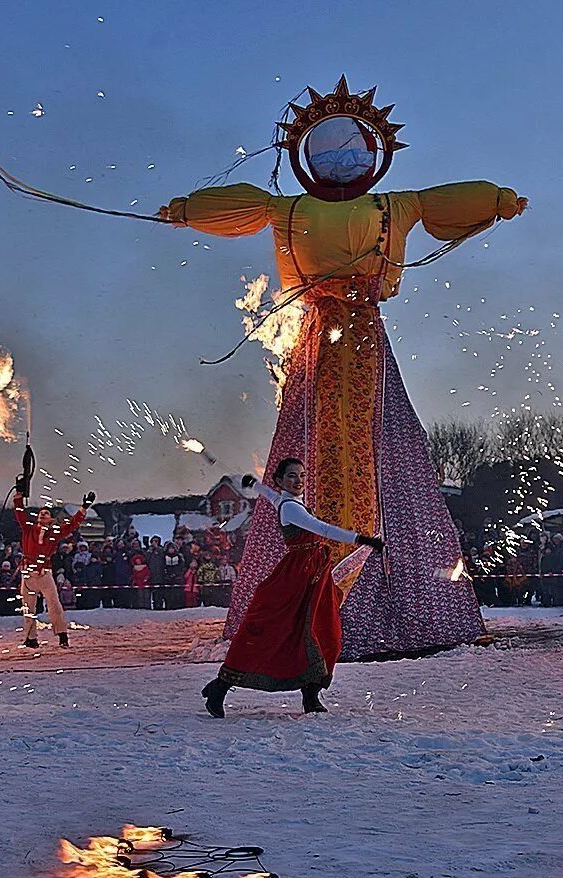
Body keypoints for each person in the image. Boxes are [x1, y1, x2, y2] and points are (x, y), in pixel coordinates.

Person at [161, 85, 521, 660]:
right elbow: (444, 202)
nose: (340, 161)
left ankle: (357, 599)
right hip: (338, 337)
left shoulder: (338, 208)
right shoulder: (373, 207)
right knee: (344, 443)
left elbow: (441, 203)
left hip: (342, 339)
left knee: (370, 445)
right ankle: (336, 599)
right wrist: (496, 199)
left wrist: (184, 211)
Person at [202, 459, 384, 718]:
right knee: (274, 632)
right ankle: (221, 686)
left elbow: (271, 497)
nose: (298, 480)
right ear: (280, 480)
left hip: (312, 576)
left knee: (322, 632)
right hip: (296, 577)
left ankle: (311, 694)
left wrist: (255, 485)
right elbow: (322, 528)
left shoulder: (286, 501)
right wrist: (361, 539)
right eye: (291, 476)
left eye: (301, 475)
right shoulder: (290, 508)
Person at [13, 484, 93, 648]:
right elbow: (19, 512)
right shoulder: (28, 529)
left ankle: (62, 634)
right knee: (28, 607)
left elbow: (72, 524)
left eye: (46, 513)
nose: (43, 514)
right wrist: (19, 495)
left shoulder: (54, 532)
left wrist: (83, 508)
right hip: (28, 572)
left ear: (50, 519)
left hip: (44, 573)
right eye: (41, 513)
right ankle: (30, 638)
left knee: (54, 604)